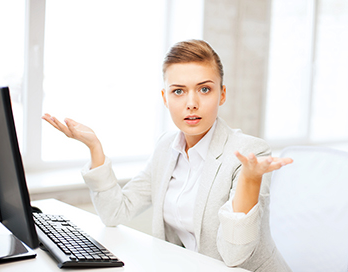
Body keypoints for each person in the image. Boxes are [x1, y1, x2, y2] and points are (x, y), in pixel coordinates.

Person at [42, 39, 293, 271]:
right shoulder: (166, 147)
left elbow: (234, 255)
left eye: (204, 89)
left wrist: (249, 180)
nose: (191, 103)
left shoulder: (248, 153)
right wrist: (94, 146)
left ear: (222, 94)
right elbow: (115, 212)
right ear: (165, 97)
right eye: (178, 91)